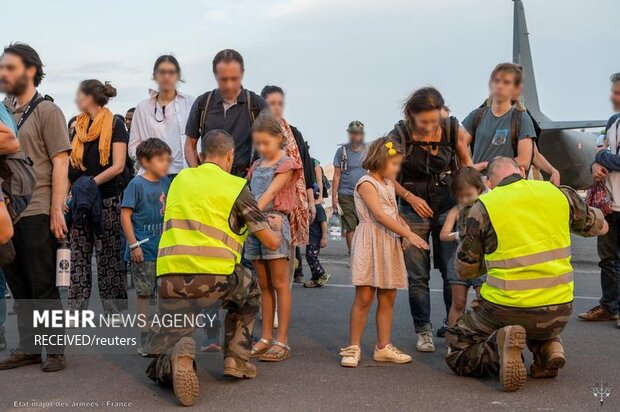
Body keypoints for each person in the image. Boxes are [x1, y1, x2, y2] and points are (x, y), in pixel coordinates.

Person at [445, 157, 607, 392]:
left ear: (489, 183)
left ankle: (499, 351)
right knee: (536, 322)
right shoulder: (559, 194)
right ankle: (548, 347)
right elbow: (600, 227)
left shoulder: (483, 207)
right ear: (521, 170)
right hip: (559, 309)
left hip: (505, 309)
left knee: (456, 347)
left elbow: (465, 269)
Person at [146, 129, 282, 407]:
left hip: (169, 278)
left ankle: (175, 357)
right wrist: (277, 230)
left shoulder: (179, 180)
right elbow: (268, 241)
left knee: (168, 343)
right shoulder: (235, 187)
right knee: (251, 292)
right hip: (216, 278)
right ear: (230, 155)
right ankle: (236, 359)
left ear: (200, 155)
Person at [0, 43, 71, 372]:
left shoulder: (47, 111)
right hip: (7, 213)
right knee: (17, 284)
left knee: (42, 283)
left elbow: (60, 163)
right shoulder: (3, 111)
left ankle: (55, 349)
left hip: (38, 206)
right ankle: (29, 347)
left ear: (30, 70)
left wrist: (58, 209)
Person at [387, 87, 471, 352]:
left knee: (452, 273)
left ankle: (452, 324)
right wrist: (410, 198)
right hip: (414, 209)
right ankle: (422, 329)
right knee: (418, 276)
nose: (430, 127)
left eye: (435, 121)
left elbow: (467, 165)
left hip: (448, 206)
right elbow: (387, 176)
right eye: (424, 122)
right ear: (411, 115)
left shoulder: (451, 129)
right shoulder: (398, 135)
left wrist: (465, 203)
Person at [339, 138, 428, 368]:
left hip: (388, 240)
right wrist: (409, 235)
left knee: (388, 295)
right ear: (381, 159)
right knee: (365, 296)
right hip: (370, 241)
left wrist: (404, 227)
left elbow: (392, 211)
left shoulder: (388, 182)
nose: (397, 169)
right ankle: (353, 347)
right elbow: (379, 215)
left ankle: (383, 347)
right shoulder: (366, 183)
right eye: (395, 164)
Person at [67, 80, 128, 314]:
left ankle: (114, 312)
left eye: (80, 95)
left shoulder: (115, 124)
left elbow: (119, 165)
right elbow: (70, 169)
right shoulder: (77, 127)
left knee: (109, 257)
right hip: (80, 201)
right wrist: (66, 195)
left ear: (90, 97)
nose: (77, 100)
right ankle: (76, 311)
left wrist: (91, 184)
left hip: (106, 199)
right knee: (79, 256)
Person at [246, 113, 301, 362]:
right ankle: (266, 337)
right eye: (257, 143)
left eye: (265, 143)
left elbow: (269, 194)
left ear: (279, 138)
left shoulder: (287, 164)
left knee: (280, 284)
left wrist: (246, 215)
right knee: (263, 285)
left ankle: (283, 340)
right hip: (254, 225)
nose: (261, 148)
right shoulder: (257, 165)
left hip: (273, 223)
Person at [120, 138, 172, 355]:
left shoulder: (166, 183)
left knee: (164, 293)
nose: (165, 164)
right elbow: (125, 215)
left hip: (164, 250)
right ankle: (144, 337)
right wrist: (133, 245)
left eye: (167, 160)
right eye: (161, 160)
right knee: (144, 294)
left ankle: (159, 334)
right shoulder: (136, 184)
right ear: (145, 161)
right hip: (144, 250)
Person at [261, 85, 316, 283]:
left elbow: (306, 169)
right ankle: (267, 307)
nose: (276, 108)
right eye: (271, 103)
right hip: (265, 204)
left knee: (287, 258)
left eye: (280, 103)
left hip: (291, 204)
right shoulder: (257, 135)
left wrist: (310, 201)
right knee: (264, 259)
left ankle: (280, 308)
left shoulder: (294, 133)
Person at [184, 49, 267, 176]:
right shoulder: (203, 104)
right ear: (215, 75)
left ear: (242, 74)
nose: (229, 85)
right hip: (209, 180)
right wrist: (197, 174)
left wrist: (257, 168)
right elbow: (190, 144)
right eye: (224, 79)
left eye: (234, 79)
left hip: (244, 181)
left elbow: (274, 144)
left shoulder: (257, 105)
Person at [580, 72, 620, 325]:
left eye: (617, 92)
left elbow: (604, 155)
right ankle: (609, 306)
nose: (612, 96)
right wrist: (596, 165)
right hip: (609, 205)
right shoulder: (613, 121)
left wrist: (599, 159)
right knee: (607, 259)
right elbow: (600, 150)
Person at [458, 63, 536, 173]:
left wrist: (489, 165)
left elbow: (524, 161)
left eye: (506, 82)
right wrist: (471, 167)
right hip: (477, 185)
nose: (500, 86)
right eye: (496, 81)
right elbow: (458, 146)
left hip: (505, 185)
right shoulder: (476, 116)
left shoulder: (522, 119)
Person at [129, 55, 194, 179]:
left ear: (178, 76)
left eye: (171, 72)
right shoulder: (142, 108)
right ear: (155, 75)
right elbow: (133, 146)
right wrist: (149, 155)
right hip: (152, 176)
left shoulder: (191, 103)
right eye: (162, 72)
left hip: (184, 174)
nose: (166, 77)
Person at [439, 167, 486, 328]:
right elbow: (443, 235)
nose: (465, 200)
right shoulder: (456, 210)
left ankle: (482, 338)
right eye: (460, 196)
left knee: (483, 303)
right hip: (459, 261)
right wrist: (459, 235)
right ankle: (453, 342)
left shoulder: (485, 207)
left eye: (469, 195)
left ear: (479, 189)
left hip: (481, 262)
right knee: (458, 303)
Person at [332, 121, 367, 253]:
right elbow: (336, 175)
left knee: (364, 225)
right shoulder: (342, 151)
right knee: (350, 226)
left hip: (363, 194)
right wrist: (334, 197)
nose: (355, 136)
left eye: (357, 134)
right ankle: (353, 254)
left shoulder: (367, 151)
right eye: (352, 133)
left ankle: (363, 252)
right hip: (345, 194)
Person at [304, 158, 331, 288]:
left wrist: (324, 237)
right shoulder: (309, 207)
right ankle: (315, 278)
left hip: (316, 238)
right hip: (310, 238)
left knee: (311, 257)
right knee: (309, 257)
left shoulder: (318, 208)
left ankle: (322, 273)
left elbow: (323, 222)